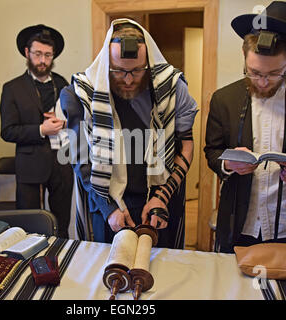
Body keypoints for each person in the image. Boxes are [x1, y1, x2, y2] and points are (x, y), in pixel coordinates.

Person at [204, 1, 286, 253]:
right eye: (253, 72)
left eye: (274, 73)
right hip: (240, 223)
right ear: (244, 55)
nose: (262, 82)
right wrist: (230, 164)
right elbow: (212, 152)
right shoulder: (224, 99)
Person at [60, 19, 198, 248]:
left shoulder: (171, 87)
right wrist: (108, 208)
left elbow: (186, 145)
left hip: (159, 198)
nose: (128, 80)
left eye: (136, 71)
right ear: (106, 62)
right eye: (118, 71)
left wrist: (161, 197)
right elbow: (78, 157)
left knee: (162, 271)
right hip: (105, 201)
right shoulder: (80, 93)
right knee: (109, 271)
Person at [0, 24, 73, 238]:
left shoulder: (62, 83)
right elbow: (7, 131)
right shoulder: (12, 88)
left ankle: (61, 258)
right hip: (30, 166)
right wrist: (41, 129)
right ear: (27, 53)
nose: (43, 60)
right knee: (30, 225)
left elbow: (74, 117)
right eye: (38, 54)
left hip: (61, 163)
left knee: (62, 221)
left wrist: (65, 123)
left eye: (48, 55)